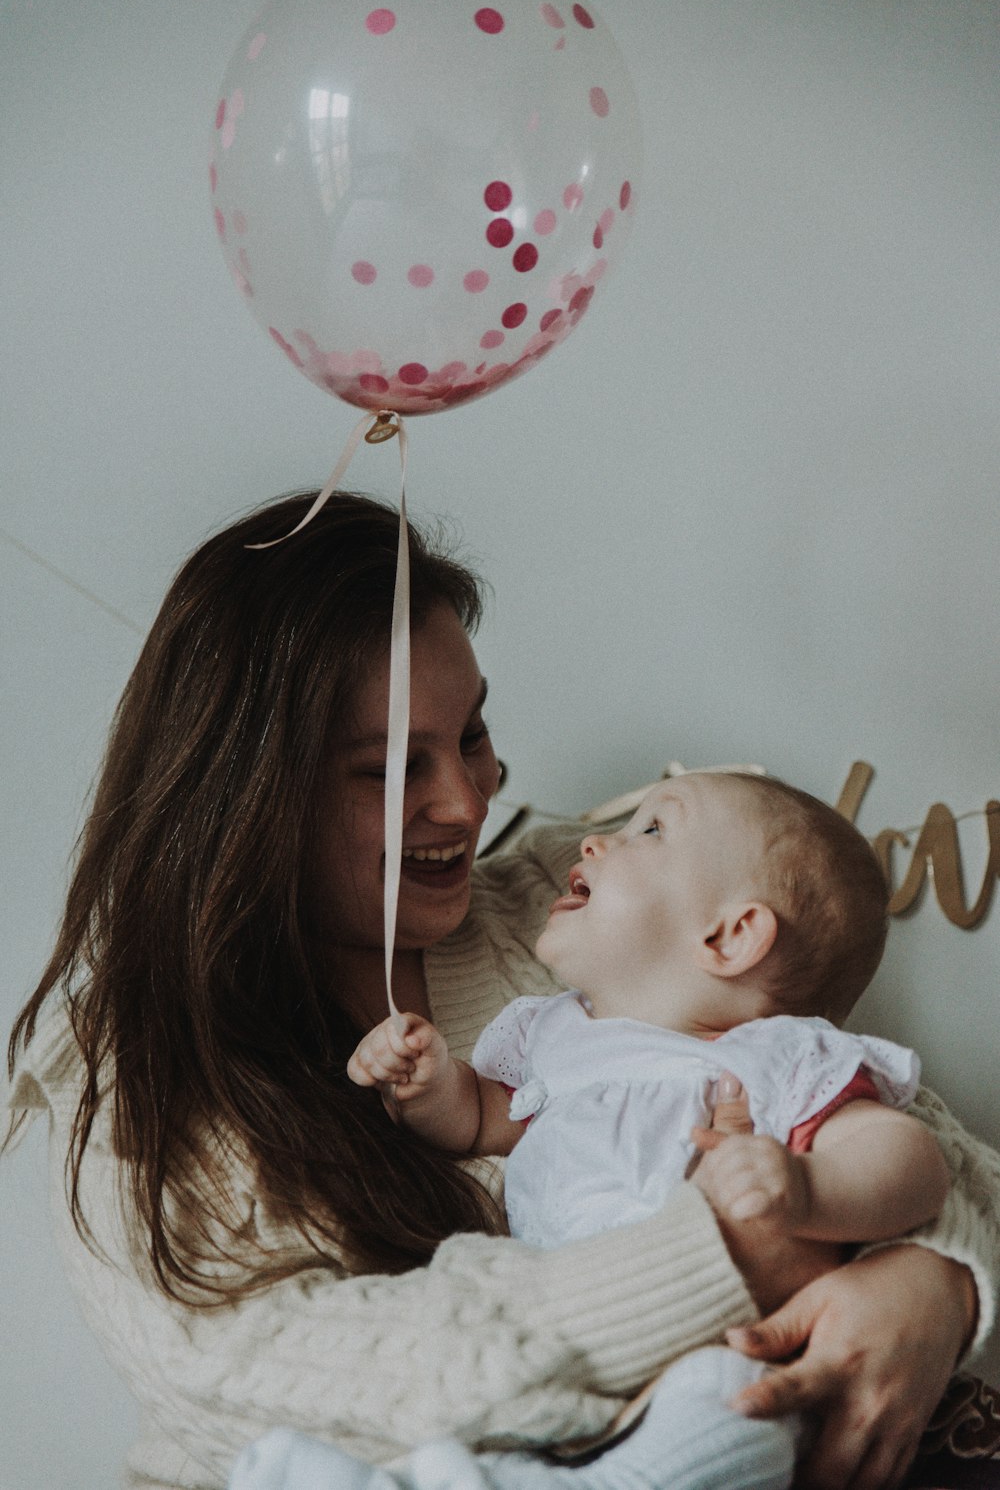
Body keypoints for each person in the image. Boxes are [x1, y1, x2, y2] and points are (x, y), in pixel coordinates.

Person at [4, 491, 998, 1490]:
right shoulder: (134, 1062)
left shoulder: (588, 909)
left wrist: (929, 1284)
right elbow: (255, 1383)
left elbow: (927, 1149)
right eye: (392, 768)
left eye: (471, 735)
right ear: (251, 793)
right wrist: (730, 1265)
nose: (467, 800)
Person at [309, 772, 950, 1489]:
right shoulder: (553, 1033)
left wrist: (806, 1186)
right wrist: (427, 1087)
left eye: (650, 830)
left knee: (736, 1411)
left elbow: (910, 1157)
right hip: (564, 1339)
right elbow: (485, 1121)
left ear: (730, 935)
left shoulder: (774, 1057)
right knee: (475, 1383)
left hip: (712, 1351)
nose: (592, 839)